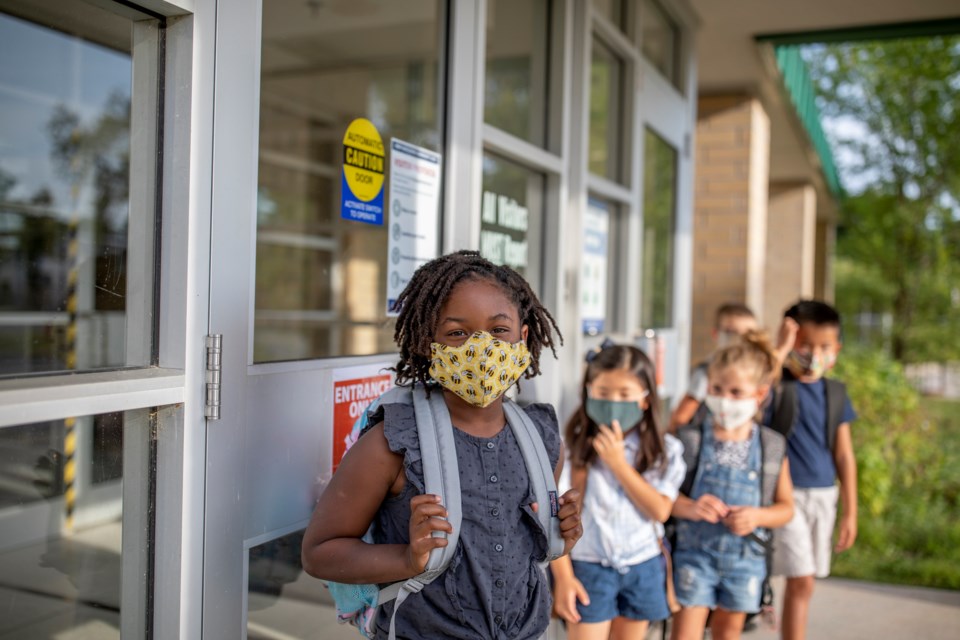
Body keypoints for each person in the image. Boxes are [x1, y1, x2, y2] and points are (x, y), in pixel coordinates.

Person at [300, 250, 584, 640]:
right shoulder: (393, 442)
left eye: (498, 330)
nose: (480, 348)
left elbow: (521, 550)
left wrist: (560, 536)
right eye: (456, 333)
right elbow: (319, 552)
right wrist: (406, 557)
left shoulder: (541, 437)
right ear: (427, 344)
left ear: (524, 337)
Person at [551, 344, 686, 639]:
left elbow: (660, 510)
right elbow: (555, 519)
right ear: (587, 392)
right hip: (588, 567)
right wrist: (564, 578)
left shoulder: (664, 451)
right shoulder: (569, 448)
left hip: (643, 566)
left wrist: (618, 464)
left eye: (625, 395)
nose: (613, 402)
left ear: (645, 400)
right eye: (602, 393)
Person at [670, 331, 795, 640]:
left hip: (745, 561)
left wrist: (756, 517)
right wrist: (691, 507)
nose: (725, 399)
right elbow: (663, 499)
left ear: (760, 394)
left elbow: (786, 508)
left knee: (728, 634)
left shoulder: (771, 446)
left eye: (736, 392)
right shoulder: (690, 441)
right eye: (717, 389)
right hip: (694, 558)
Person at [771, 300, 857, 640]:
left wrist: (851, 511)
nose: (813, 354)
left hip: (823, 495)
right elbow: (756, 388)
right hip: (784, 497)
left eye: (824, 347)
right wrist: (778, 349)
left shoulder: (835, 393)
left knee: (803, 583)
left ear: (836, 350)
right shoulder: (775, 386)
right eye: (804, 344)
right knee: (802, 577)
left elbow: (845, 455)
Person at [670, 304, 759, 432]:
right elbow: (681, 417)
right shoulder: (706, 371)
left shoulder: (757, 369)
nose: (740, 340)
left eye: (749, 334)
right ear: (716, 334)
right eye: (732, 333)